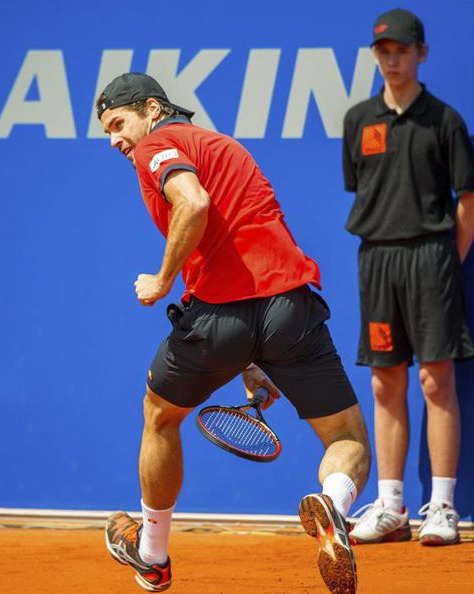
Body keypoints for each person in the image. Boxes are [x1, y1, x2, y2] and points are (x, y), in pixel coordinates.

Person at [97, 72, 370, 594]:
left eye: (118, 123)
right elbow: (241, 249)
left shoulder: (155, 145)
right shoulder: (225, 146)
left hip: (218, 318)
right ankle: (333, 505)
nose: (115, 140)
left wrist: (161, 279)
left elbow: (193, 204)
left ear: (151, 108)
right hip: (291, 307)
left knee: (159, 417)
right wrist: (252, 361)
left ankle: (152, 555)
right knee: (347, 437)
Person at [342, 8, 474, 547]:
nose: (391, 59)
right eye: (383, 51)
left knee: (435, 378)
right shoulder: (358, 120)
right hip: (377, 261)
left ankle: (442, 506)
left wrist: (447, 262)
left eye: (401, 50)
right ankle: (391, 504)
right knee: (385, 379)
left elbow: (467, 201)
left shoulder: (445, 121)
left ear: (421, 53)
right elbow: (361, 191)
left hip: (432, 259)